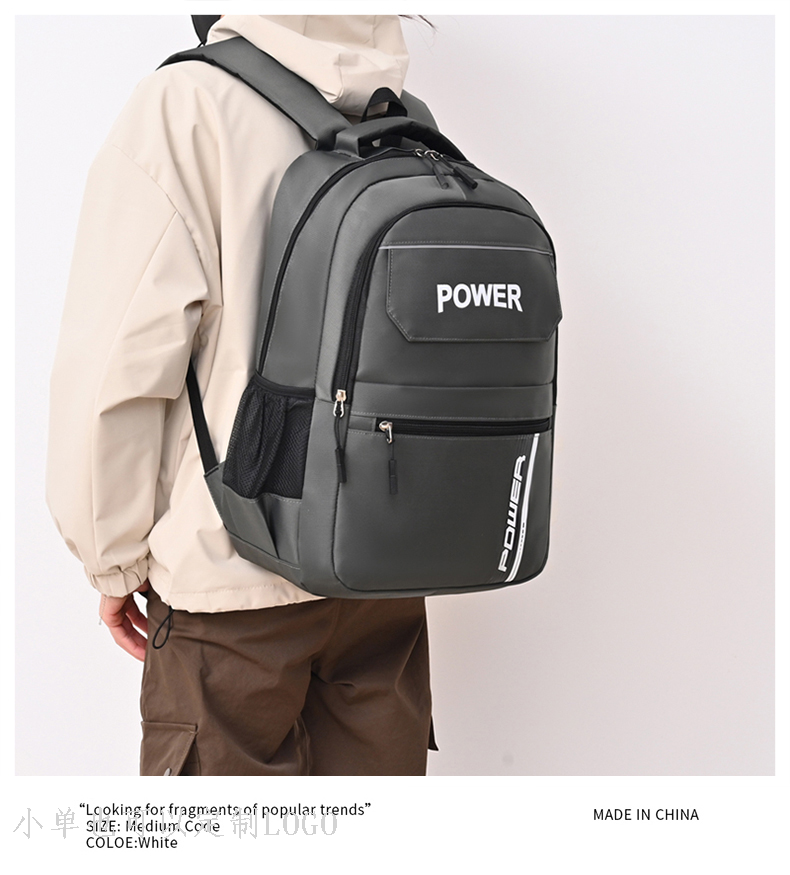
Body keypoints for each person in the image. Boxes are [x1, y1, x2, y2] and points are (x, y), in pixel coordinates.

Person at [47, 14, 433, 777]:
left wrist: (112, 560)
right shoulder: (401, 115)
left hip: (231, 586)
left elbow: (111, 367)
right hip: (381, 578)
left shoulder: (186, 105)